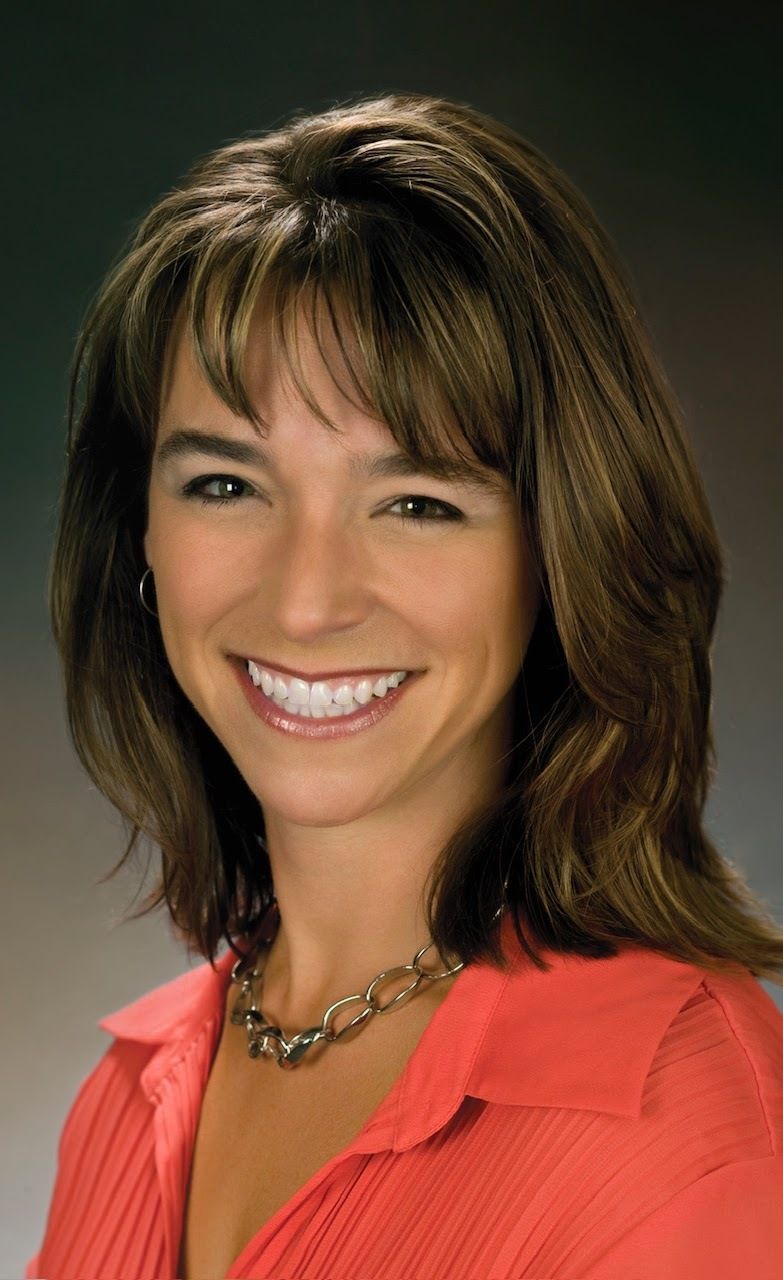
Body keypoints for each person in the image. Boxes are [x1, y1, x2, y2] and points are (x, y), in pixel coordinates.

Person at [27, 92, 783, 1280]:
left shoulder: (676, 1127)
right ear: (140, 539)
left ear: (561, 549)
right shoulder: (126, 1099)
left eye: (417, 503)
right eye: (227, 485)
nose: (306, 600)